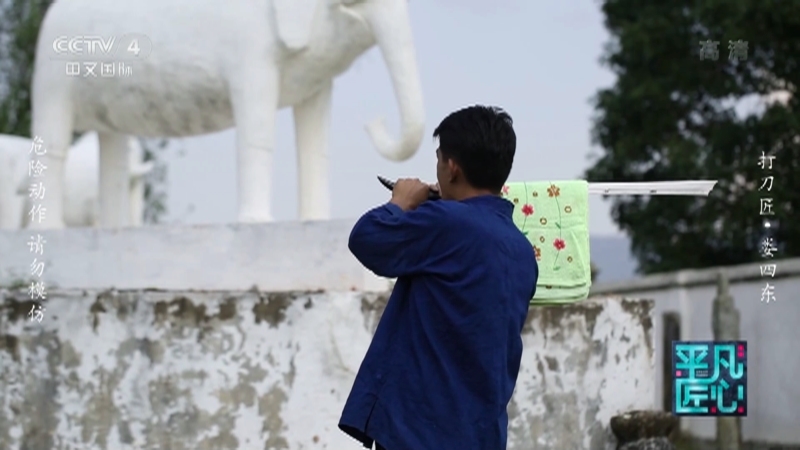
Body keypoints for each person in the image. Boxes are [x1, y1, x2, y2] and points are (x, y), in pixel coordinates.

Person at [338, 105, 538, 449]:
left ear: (452, 167)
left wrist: (401, 201)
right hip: (478, 434)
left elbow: (367, 238)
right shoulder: (521, 249)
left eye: (439, 159)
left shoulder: (447, 222)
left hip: (421, 432)